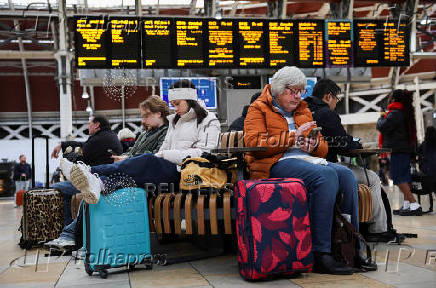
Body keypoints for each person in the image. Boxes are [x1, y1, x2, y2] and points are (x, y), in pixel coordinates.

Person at [46, 80, 220, 251]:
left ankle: (91, 171)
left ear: (190, 100)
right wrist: (162, 154)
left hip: (184, 173)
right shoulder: (175, 121)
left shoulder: (208, 120)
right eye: (172, 104)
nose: (174, 108)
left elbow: (206, 152)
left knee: (146, 159)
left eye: (177, 104)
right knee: (106, 185)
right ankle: (70, 236)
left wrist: (165, 155)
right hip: (164, 169)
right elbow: (164, 148)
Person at [244, 66, 376, 274]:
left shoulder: (304, 109)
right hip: (274, 163)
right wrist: (292, 138)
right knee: (326, 175)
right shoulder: (258, 108)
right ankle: (320, 252)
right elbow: (253, 143)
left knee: (348, 176)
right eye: (292, 91)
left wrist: (313, 146)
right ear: (278, 89)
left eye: (301, 91)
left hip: (306, 160)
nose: (297, 96)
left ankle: (350, 248)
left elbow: (323, 148)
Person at [306, 79, 392, 242]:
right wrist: (357, 144)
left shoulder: (304, 110)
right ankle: (377, 230)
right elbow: (343, 144)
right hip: (326, 165)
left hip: (307, 165)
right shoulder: (326, 113)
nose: (336, 104)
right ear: (328, 96)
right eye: (337, 99)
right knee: (372, 178)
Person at [51, 116, 122, 226]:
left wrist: (68, 158)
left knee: (57, 188)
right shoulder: (110, 136)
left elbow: (83, 157)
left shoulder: (97, 139)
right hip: (107, 178)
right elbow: (85, 145)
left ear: (97, 125)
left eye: (90, 124)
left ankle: (68, 229)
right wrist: (63, 144)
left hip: (96, 180)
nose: (88, 127)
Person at [377, 89, 420, 216]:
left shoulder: (395, 113)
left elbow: (382, 126)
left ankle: (414, 204)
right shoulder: (403, 112)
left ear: (394, 99)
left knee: (397, 177)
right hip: (403, 150)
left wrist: (381, 117)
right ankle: (408, 205)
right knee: (404, 178)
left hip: (398, 150)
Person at [112, 95, 169, 162]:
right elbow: (133, 151)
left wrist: (127, 158)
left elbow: (156, 155)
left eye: (146, 116)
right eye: (142, 117)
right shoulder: (145, 133)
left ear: (158, 114)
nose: (143, 121)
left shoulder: (167, 132)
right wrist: (121, 157)